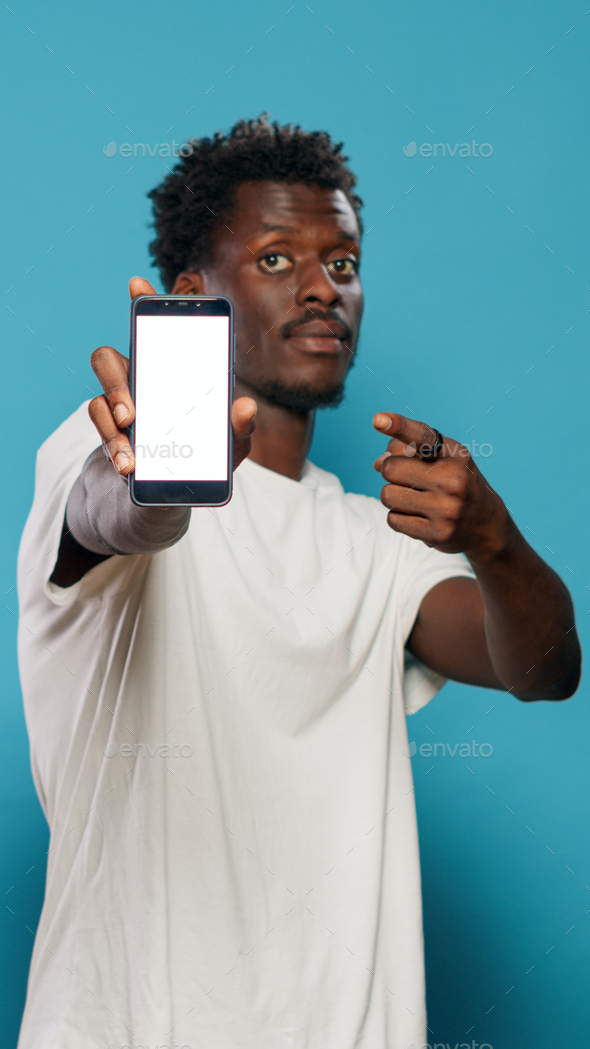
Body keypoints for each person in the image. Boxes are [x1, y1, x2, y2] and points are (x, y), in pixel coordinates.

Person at [17, 116, 580, 1049]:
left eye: (344, 263)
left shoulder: (377, 541)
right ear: (191, 296)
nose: (325, 286)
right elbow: (113, 519)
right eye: (278, 261)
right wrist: (163, 473)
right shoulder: (93, 453)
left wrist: (495, 538)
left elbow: (544, 669)